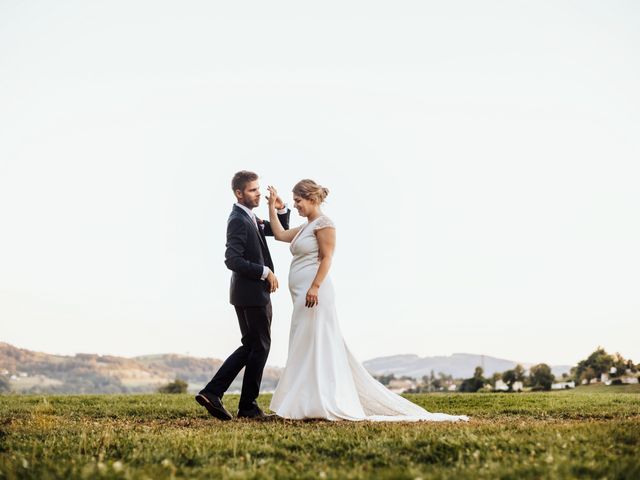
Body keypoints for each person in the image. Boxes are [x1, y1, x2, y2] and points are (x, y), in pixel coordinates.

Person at [265, 179, 469, 422]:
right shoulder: (304, 228)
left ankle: (323, 400)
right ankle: (301, 402)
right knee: (303, 342)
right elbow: (278, 234)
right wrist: (273, 207)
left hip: (315, 293)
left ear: (311, 199)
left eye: (298, 201)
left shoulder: (325, 224)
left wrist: (315, 287)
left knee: (317, 341)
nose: (296, 206)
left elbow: (328, 258)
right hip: (300, 295)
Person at [196, 170, 290, 420]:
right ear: (239, 193)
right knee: (260, 346)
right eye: (252, 190)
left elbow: (281, 231)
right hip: (252, 294)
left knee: (251, 346)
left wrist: (280, 209)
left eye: (259, 189)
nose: (259, 193)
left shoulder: (251, 217)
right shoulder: (238, 218)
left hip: (245, 294)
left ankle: (212, 392)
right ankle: (247, 407)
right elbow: (232, 259)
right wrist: (264, 272)